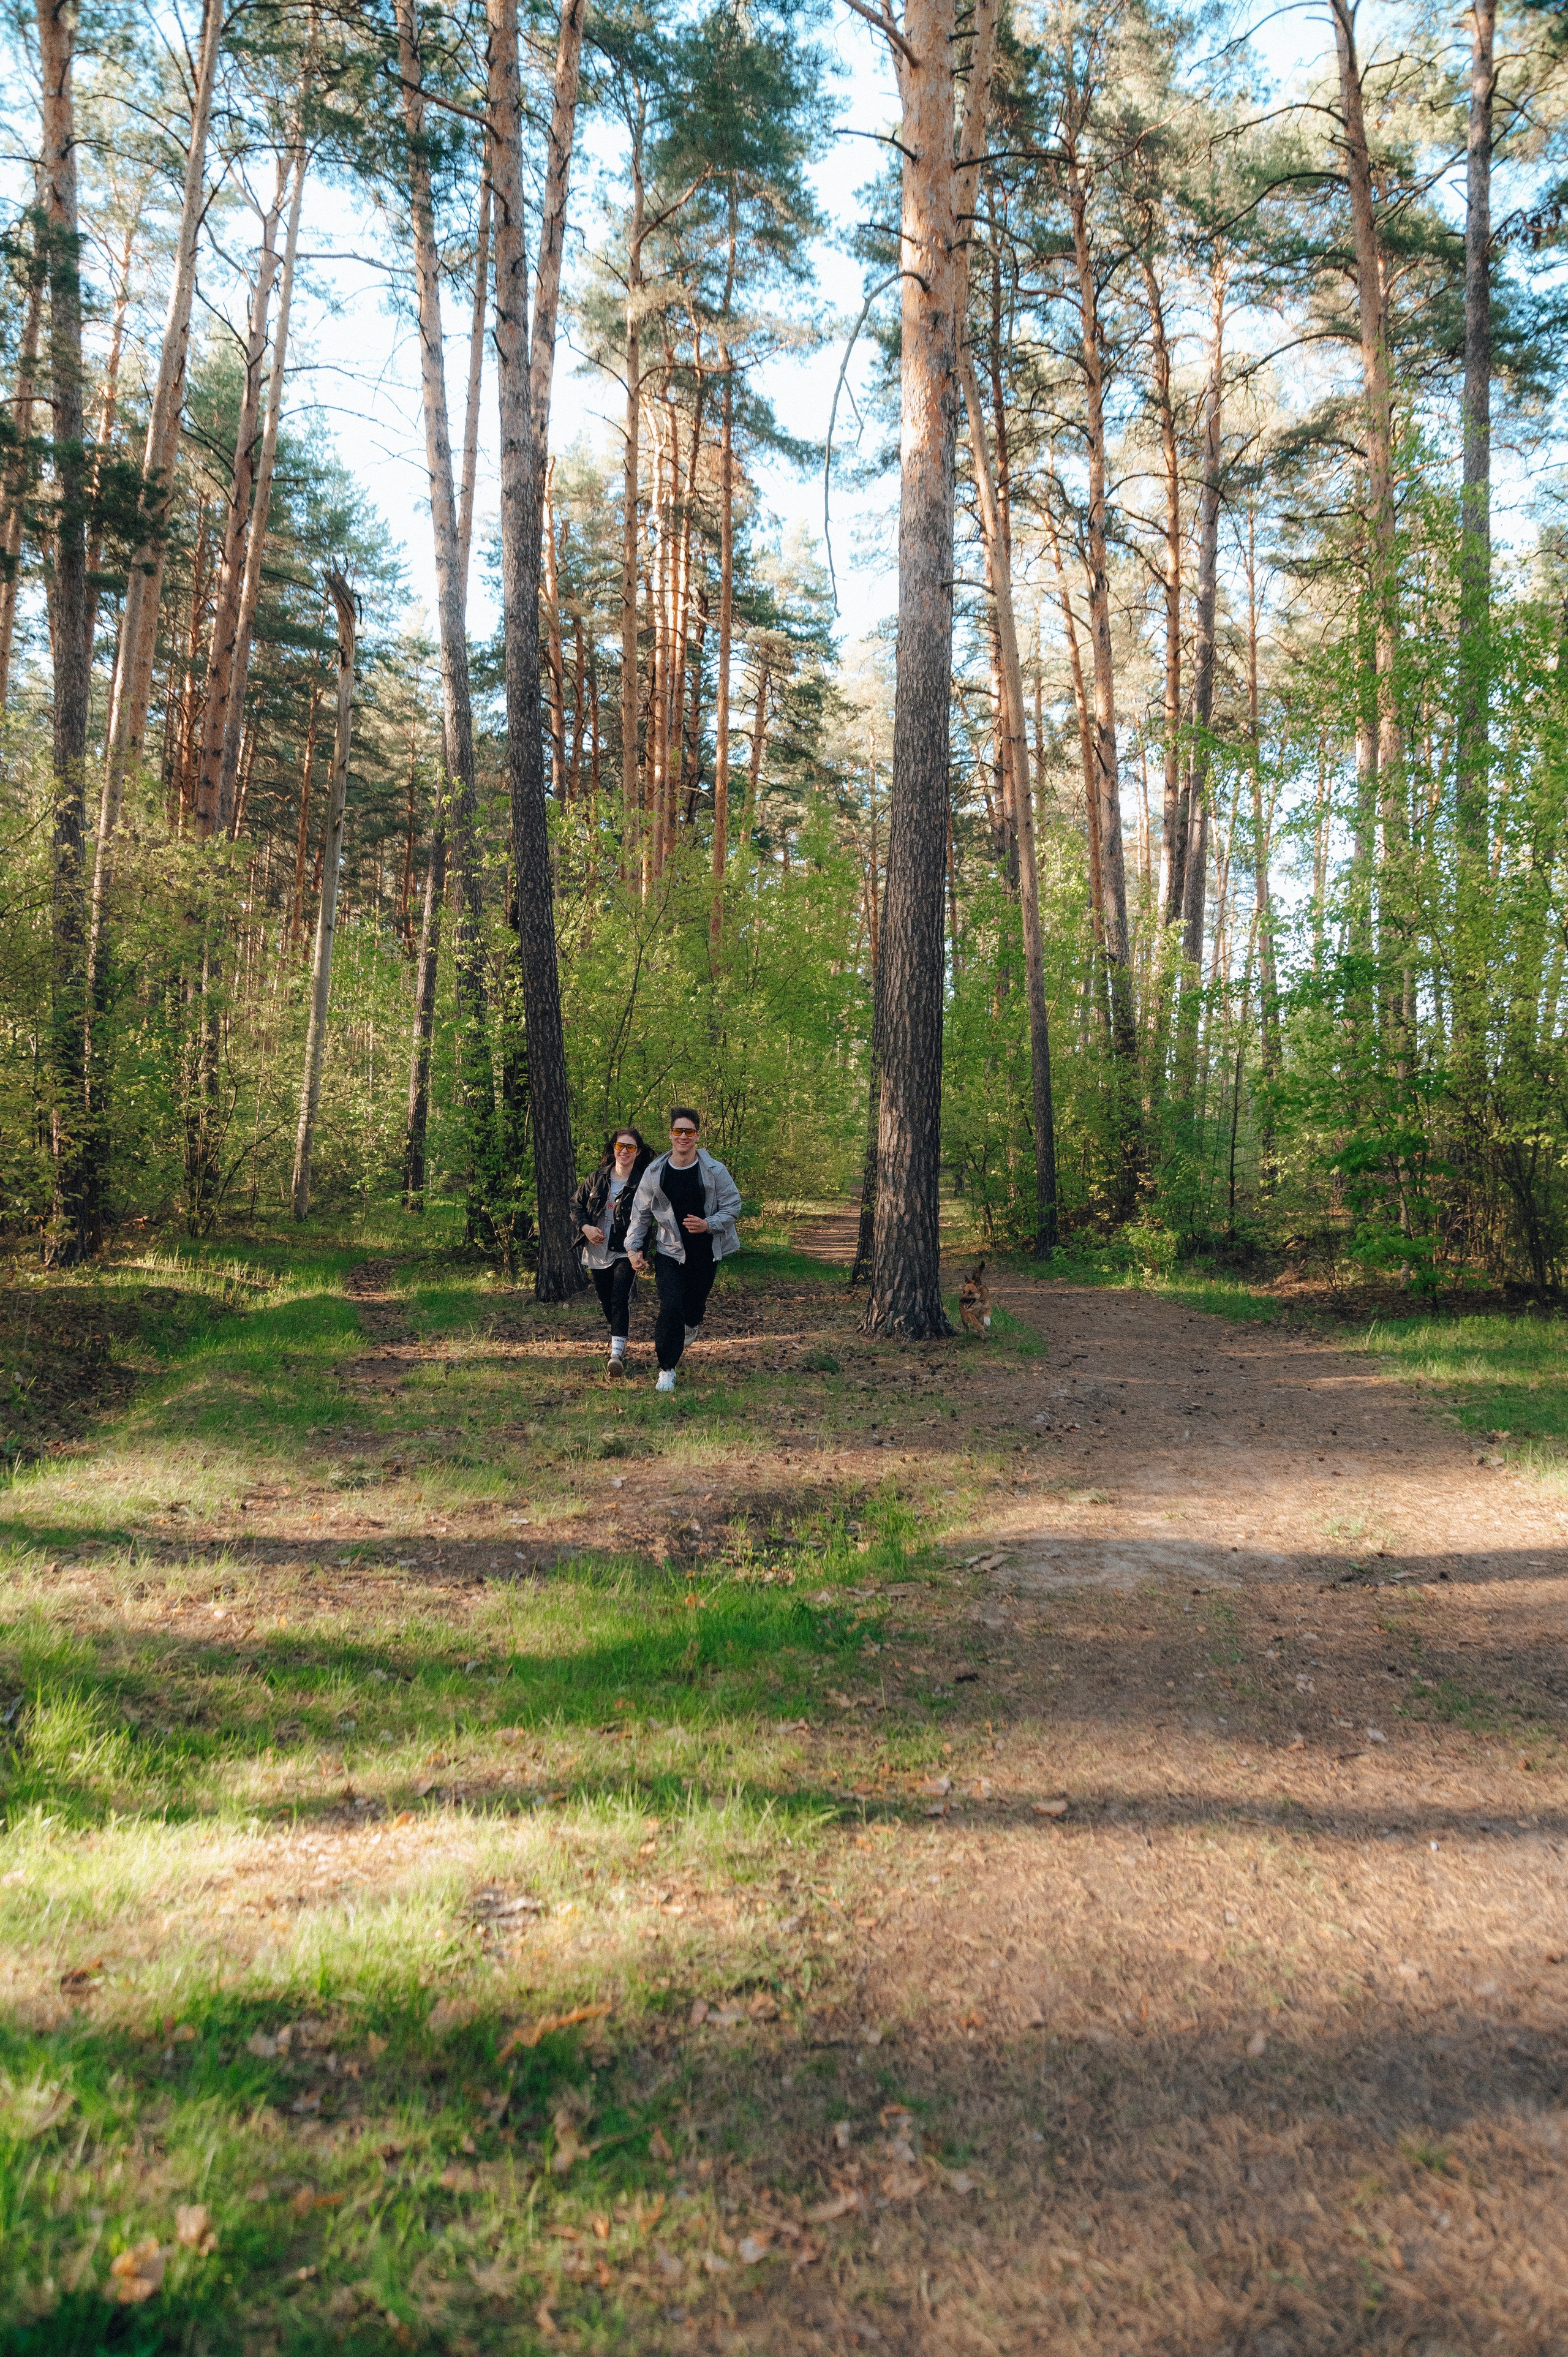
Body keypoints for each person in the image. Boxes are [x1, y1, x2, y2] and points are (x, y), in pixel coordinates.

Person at [625, 1107, 743, 1392]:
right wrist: (633, 1248)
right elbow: (640, 1214)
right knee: (670, 1308)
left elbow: (733, 1206)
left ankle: (692, 1324)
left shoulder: (715, 1170)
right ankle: (667, 1368)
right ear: (670, 1134)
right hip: (669, 1252)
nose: (683, 1136)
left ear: (697, 1136)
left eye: (689, 1132)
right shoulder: (655, 1172)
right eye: (678, 1131)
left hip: (705, 1252)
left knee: (693, 1308)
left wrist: (708, 1224)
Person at [571, 1127, 652, 1377]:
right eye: (620, 1146)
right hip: (597, 1250)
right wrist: (586, 1228)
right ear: (613, 1149)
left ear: (638, 1152)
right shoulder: (597, 1178)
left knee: (619, 1298)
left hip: (625, 1250)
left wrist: (639, 1250)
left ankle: (616, 1354)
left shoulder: (643, 1182)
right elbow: (576, 1204)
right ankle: (620, 1334)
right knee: (607, 1301)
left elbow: (649, 1219)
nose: (624, 1152)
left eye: (630, 1147)